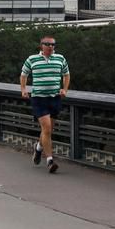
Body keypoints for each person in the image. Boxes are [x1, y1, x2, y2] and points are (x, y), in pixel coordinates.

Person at [20, 36, 70, 174]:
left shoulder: (60, 58)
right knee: (47, 129)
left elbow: (66, 74)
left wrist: (64, 89)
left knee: (48, 131)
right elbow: (24, 74)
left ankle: (38, 149)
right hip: (39, 98)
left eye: (53, 45)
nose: (50, 47)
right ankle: (50, 161)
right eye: (47, 44)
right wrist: (23, 89)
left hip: (54, 98)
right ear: (41, 45)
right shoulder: (32, 59)